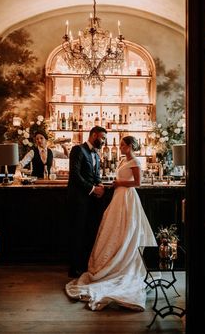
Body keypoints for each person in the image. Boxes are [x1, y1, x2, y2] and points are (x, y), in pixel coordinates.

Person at [65, 135, 158, 311]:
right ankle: (110, 261)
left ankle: (123, 261)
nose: (120, 147)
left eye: (123, 145)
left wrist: (119, 183)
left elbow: (138, 183)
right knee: (114, 229)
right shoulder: (124, 160)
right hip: (119, 196)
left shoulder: (135, 162)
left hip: (127, 197)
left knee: (126, 229)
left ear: (130, 146)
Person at [67, 125, 107, 278]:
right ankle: (74, 268)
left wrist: (100, 185)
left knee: (89, 232)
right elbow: (75, 176)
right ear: (94, 135)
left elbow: (96, 175)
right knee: (77, 232)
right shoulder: (78, 150)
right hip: (78, 199)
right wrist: (92, 189)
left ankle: (85, 265)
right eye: (102, 138)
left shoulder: (96, 154)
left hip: (91, 201)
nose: (103, 141)